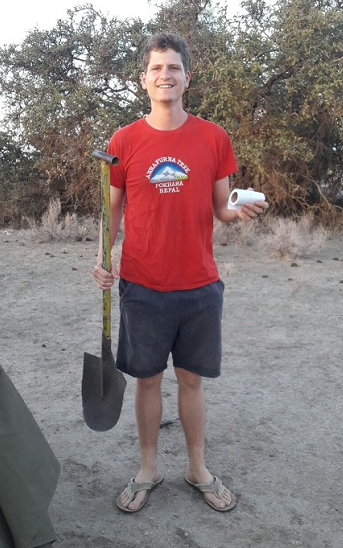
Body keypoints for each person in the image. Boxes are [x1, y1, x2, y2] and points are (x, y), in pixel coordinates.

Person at [92, 32, 268, 514]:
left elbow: (222, 208)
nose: (164, 75)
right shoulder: (124, 141)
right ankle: (148, 469)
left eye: (173, 68)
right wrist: (103, 258)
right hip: (143, 286)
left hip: (199, 286)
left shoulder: (213, 138)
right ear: (143, 79)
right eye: (156, 68)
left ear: (187, 78)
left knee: (192, 381)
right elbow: (112, 211)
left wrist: (240, 211)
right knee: (147, 381)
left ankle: (197, 469)